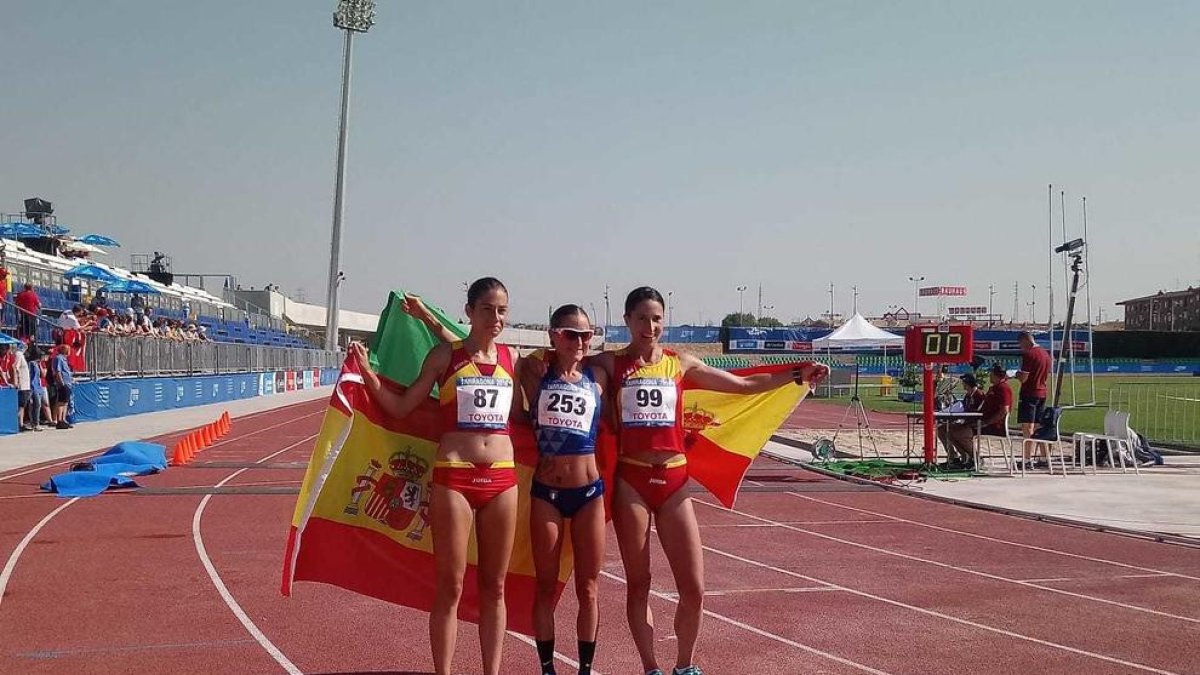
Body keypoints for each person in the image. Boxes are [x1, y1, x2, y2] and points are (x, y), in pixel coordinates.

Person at [589, 287, 827, 675]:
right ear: (627, 320)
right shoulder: (609, 364)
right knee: (640, 582)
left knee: (694, 588)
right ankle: (650, 667)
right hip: (632, 479)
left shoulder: (679, 363)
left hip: (675, 481)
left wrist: (797, 373)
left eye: (657, 318)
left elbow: (744, 385)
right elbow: (568, 372)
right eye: (642, 318)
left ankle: (685, 665)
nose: (650, 326)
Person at [349, 277, 523, 675]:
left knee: (495, 588)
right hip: (455, 479)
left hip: (502, 482)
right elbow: (401, 407)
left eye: (502, 310)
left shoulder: (512, 360)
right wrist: (368, 376)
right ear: (469, 312)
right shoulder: (444, 357)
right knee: (452, 587)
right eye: (487, 309)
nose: (495, 318)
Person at [517, 305, 608, 675]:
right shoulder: (533, 374)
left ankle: (585, 670)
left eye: (587, 335)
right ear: (553, 335)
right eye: (572, 334)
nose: (581, 341)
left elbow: (636, 357)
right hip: (548, 495)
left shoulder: (598, 375)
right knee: (545, 585)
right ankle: (547, 668)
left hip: (589, 494)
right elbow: (478, 349)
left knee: (588, 588)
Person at [937, 372, 986, 470]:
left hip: (975, 424)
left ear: (967, 383)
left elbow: (979, 411)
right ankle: (956, 457)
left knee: (955, 431)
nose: (962, 384)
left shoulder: (978, 395)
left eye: (963, 382)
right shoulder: (967, 396)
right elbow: (962, 408)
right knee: (942, 429)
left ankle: (975, 458)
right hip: (966, 421)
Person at [1015, 332, 1051, 465]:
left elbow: (1024, 377)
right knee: (1038, 426)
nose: (1021, 347)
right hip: (1042, 392)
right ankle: (1044, 457)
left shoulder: (1030, 355)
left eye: (1021, 344)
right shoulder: (1045, 354)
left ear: (1025, 340)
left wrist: (1017, 374)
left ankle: (1027, 459)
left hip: (1030, 393)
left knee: (1027, 427)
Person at [979, 363, 1013, 438]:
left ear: (996, 374)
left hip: (994, 427)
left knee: (959, 431)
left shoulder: (1003, 388)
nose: (989, 375)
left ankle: (969, 450)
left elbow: (1004, 411)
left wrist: (986, 423)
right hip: (986, 422)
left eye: (991, 373)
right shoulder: (995, 387)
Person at [51, 345, 74, 429]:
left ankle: (64, 420)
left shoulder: (64, 359)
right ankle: (59, 420)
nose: (69, 351)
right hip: (63, 383)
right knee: (61, 402)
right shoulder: (59, 358)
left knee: (66, 402)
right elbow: (58, 371)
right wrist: (61, 383)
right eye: (68, 349)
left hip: (68, 383)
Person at [13, 343, 31, 431]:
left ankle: (21, 423)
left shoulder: (22, 355)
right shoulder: (18, 355)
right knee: (20, 405)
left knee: (23, 405)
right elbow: (15, 367)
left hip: (26, 384)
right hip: (22, 384)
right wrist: (17, 381)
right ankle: (17, 423)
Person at [26, 344, 44, 431]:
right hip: (32, 387)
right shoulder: (31, 364)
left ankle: (35, 422)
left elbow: (41, 375)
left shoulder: (37, 364)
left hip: (37, 386)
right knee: (35, 404)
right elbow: (30, 375)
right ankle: (35, 423)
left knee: (37, 405)